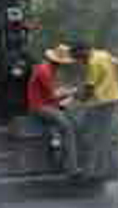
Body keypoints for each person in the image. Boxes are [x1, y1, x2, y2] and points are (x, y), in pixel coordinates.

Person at [70, 41, 118, 180]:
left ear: (84, 50)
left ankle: (94, 171)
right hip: (113, 99)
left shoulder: (93, 63)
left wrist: (76, 97)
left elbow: (89, 89)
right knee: (105, 135)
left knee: (91, 135)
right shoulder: (103, 54)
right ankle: (110, 169)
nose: (78, 60)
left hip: (102, 102)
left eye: (77, 56)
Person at [27, 46, 80, 177]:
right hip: (40, 107)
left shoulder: (48, 69)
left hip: (47, 104)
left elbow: (52, 92)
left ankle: (59, 155)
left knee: (69, 118)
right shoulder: (45, 71)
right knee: (67, 127)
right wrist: (70, 91)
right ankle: (71, 167)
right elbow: (53, 95)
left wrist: (66, 92)